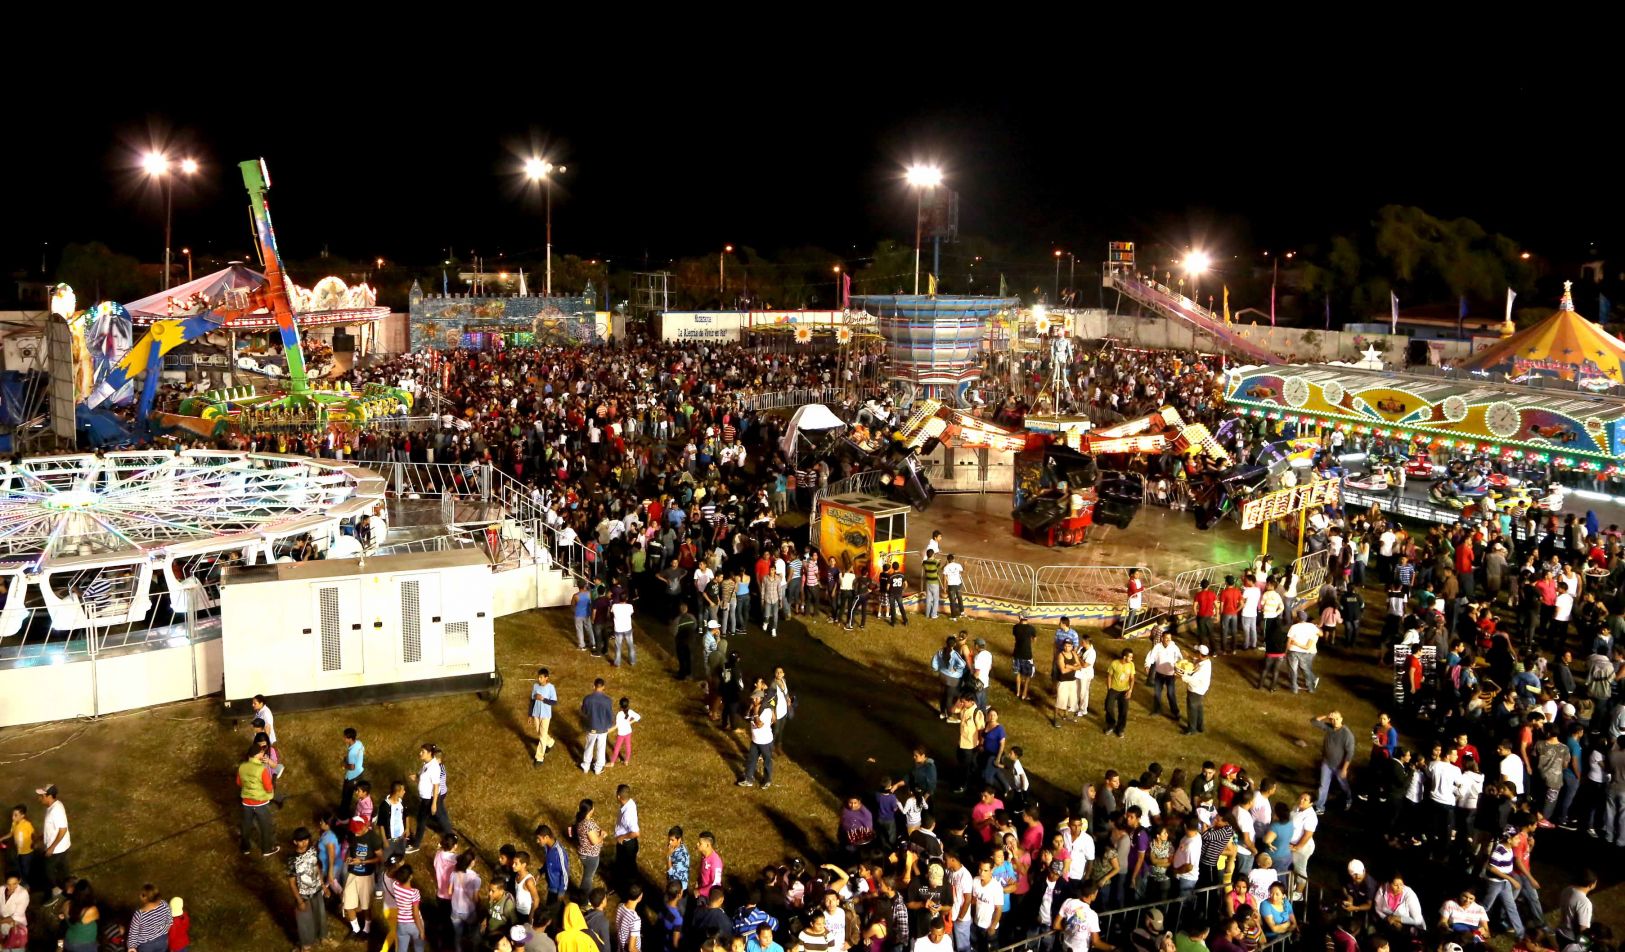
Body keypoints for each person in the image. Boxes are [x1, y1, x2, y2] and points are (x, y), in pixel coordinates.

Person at [287, 827, 326, 952]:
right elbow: (292, 883)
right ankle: (306, 945)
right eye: (301, 840)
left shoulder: (313, 850)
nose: (304, 843)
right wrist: (299, 901)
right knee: (304, 921)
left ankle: (322, 936)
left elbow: (317, 868)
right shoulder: (292, 860)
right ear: (295, 842)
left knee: (320, 915)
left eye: (306, 839)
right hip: (303, 895)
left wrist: (323, 885)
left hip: (316, 890)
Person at [236, 746, 278, 857]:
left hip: (246, 802)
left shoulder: (242, 766)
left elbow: (239, 782)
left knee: (246, 826)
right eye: (261, 752)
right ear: (257, 754)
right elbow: (268, 787)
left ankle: (245, 848)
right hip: (260, 803)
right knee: (265, 827)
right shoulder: (261, 769)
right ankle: (266, 849)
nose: (263, 754)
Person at [1311, 712, 1355, 812]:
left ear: (1341, 719)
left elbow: (1350, 753)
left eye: (1337, 719)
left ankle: (1349, 798)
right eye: (1332, 719)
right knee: (1323, 786)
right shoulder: (1329, 727)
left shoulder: (1347, 734)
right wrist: (1326, 716)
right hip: (1326, 763)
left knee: (1343, 785)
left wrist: (1344, 769)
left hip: (1339, 766)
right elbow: (1313, 722)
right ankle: (1320, 807)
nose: (1335, 721)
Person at [36, 784, 71, 893]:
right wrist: (42, 837)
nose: (39, 798)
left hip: (57, 849)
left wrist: (51, 848)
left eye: (42, 796)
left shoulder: (56, 811)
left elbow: (63, 829)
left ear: (49, 796)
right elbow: (52, 828)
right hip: (61, 846)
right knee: (63, 868)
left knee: (48, 871)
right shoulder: (52, 806)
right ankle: (68, 887)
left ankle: (56, 891)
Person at [1144, 629, 1183, 719]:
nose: (1168, 640)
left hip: (1170, 675)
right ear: (1162, 638)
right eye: (1166, 638)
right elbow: (1151, 656)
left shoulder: (1174, 648)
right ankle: (1156, 710)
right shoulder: (1157, 647)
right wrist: (1147, 665)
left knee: (1170, 693)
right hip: (1159, 675)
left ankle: (1175, 712)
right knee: (1157, 693)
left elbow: (1179, 659)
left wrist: (1178, 670)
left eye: (1170, 638)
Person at [739, 696, 776, 788]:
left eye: (757, 698)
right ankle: (748, 779)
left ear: (762, 699)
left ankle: (767, 780)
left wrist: (755, 712)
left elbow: (759, 724)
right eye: (753, 698)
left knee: (767, 762)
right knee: (751, 760)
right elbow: (746, 716)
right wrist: (751, 708)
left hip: (765, 742)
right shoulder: (753, 707)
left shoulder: (766, 711)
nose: (754, 700)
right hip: (755, 741)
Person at [581, 678, 615, 774]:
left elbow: (584, 712)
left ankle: (586, 766)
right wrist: (609, 725)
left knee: (589, 746)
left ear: (594, 686)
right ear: (603, 687)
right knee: (601, 748)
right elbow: (610, 715)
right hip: (603, 728)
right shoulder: (608, 700)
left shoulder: (587, 698)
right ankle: (598, 769)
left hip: (591, 727)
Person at [126, 883, 173, 952]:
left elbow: (133, 932)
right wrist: (163, 932)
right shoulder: (164, 904)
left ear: (144, 897)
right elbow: (169, 921)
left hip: (146, 946)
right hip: (162, 940)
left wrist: (131, 946)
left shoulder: (139, 914)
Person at [569, 800, 604, 889]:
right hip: (590, 856)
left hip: (584, 853)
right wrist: (602, 835)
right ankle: (584, 895)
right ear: (591, 810)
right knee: (588, 878)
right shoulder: (588, 824)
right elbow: (595, 841)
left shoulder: (582, 820)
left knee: (587, 876)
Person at [613, 784, 641, 890]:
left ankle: (628, 888)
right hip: (629, 843)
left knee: (626, 867)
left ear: (618, 796)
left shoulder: (627, 814)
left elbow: (636, 832)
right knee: (627, 865)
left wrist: (622, 837)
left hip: (627, 844)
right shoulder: (630, 803)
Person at [1104, 648, 1136, 738]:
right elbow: (1109, 676)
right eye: (1130, 657)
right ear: (1125, 657)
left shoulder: (1131, 665)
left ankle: (1120, 729)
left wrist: (1130, 690)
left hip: (1125, 690)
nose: (1132, 659)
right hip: (1113, 690)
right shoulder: (1114, 663)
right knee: (1108, 707)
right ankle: (1111, 725)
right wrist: (1109, 689)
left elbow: (1132, 678)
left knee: (1123, 710)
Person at [531, 669, 559, 766]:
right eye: (538, 677)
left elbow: (554, 702)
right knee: (539, 733)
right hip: (536, 713)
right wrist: (530, 715)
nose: (539, 679)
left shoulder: (551, 688)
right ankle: (550, 742)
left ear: (546, 678)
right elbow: (532, 700)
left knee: (542, 737)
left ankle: (539, 758)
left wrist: (543, 699)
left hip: (546, 715)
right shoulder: (535, 686)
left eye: (541, 677)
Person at [1181, 647, 1212, 735]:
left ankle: (1192, 729)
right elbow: (1197, 661)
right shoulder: (1206, 661)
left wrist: (1180, 675)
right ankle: (1200, 726)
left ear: (1200, 654)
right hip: (1201, 689)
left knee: (1192, 709)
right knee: (1198, 707)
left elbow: (1191, 679)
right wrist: (1189, 656)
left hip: (1195, 690)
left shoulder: (1202, 669)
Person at [340, 727, 367, 817]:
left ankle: (343, 816)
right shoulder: (359, 743)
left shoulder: (351, 752)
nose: (344, 739)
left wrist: (344, 765)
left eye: (345, 737)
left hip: (351, 777)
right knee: (361, 793)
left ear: (350, 739)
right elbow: (362, 751)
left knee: (346, 797)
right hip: (360, 773)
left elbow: (352, 767)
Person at [1012, 613, 1037, 702]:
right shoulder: (1031, 628)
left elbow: (1015, 636)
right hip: (1027, 655)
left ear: (1020, 618)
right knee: (1028, 675)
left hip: (1017, 653)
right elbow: (1034, 639)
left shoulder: (1015, 627)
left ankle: (1018, 692)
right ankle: (1024, 694)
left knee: (1018, 673)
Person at [611, 697, 642, 766]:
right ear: (628, 704)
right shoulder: (630, 711)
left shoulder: (619, 714)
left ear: (620, 705)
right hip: (628, 731)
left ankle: (612, 762)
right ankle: (626, 761)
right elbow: (638, 717)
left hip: (621, 733)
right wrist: (630, 722)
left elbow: (616, 726)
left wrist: (608, 731)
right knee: (628, 746)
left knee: (617, 748)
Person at [610, 594, 637, 666]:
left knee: (618, 647)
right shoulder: (630, 606)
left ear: (619, 598)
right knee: (630, 645)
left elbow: (612, 612)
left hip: (618, 629)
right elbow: (631, 613)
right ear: (626, 598)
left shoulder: (614, 606)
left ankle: (617, 663)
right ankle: (632, 661)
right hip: (627, 628)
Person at [943, 555, 966, 620]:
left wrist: (944, 587)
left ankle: (953, 617)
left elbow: (944, 578)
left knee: (952, 601)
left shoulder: (946, 567)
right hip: (958, 584)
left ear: (948, 560)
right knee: (959, 598)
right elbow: (963, 571)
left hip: (951, 585)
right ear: (954, 559)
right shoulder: (958, 565)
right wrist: (965, 565)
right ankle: (962, 612)